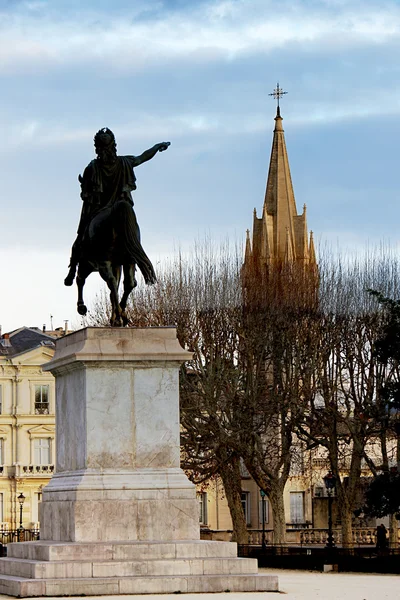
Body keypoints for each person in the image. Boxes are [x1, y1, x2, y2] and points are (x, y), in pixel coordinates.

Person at [64, 128, 170, 286]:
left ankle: (73, 270)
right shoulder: (124, 162)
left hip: (100, 210)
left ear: (97, 147)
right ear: (114, 145)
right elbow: (142, 158)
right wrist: (156, 147)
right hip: (122, 205)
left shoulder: (92, 168)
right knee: (131, 227)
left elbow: (86, 196)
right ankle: (134, 256)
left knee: (81, 235)